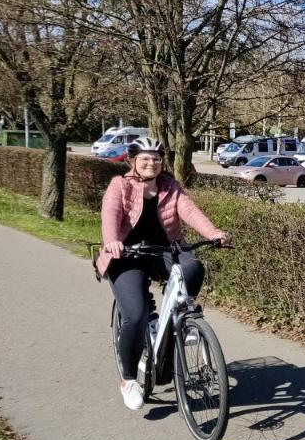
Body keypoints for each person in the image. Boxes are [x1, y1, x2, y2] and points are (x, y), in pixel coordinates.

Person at [97, 137, 229, 410]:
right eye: (145, 158)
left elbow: (190, 212)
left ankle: (179, 315)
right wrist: (112, 240)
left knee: (193, 266)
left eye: (156, 158)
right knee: (135, 314)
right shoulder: (119, 186)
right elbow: (109, 214)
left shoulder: (170, 187)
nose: (151, 163)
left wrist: (214, 232)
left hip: (163, 251)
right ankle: (129, 380)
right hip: (126, 256)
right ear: (133, 160)